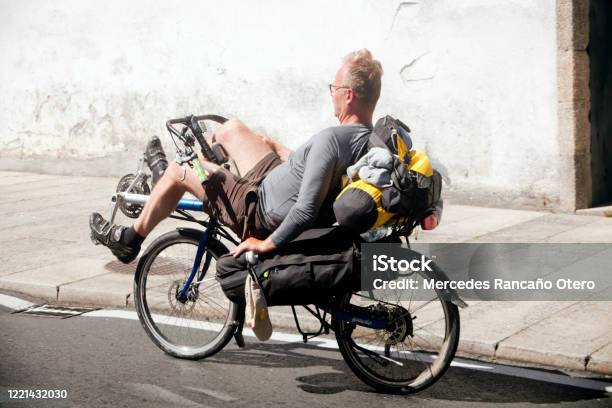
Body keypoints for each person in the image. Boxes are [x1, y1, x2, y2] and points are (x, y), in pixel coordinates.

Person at [90, 49, 440, 263]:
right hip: (271, 180)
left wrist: (265, 243)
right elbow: (317, 172)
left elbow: (304, 210)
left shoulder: (331, 139)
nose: (330, 95)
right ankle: (178, 183)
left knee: (182, 168)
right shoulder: (369, 141)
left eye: (333, 89)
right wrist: (278, 149)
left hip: (256, 208)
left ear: (348, 96)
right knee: (232, 129)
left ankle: (131, 237)